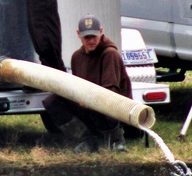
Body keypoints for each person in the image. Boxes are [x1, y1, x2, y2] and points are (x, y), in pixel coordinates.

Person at [42, 15, 132, 153]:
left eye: (94, 36)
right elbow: (77, 87)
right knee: (52, 101)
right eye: (86, 37)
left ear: (101, 32)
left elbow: (111, 91)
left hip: (110, 107)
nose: (91, 41)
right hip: (88, 105)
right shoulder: (77, 57)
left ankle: (116, 141)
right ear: (78, 35)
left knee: (110, 100)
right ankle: (86, 140)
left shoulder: (110, 54)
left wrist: (90, 100)